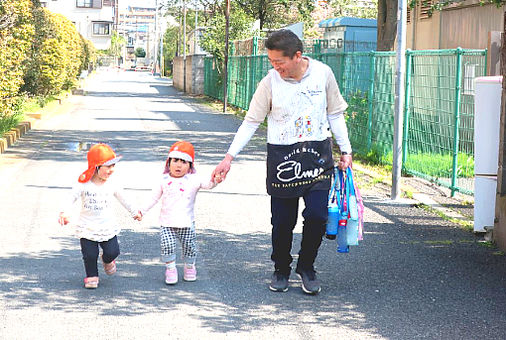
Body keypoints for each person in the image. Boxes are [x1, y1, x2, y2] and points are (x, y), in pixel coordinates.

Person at [212, 29, 352, 295]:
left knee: (318, 216)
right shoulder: (269, 83)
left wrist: (346, 150)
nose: (275, 67)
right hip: (282, 158)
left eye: (280, 62)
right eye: (272, 62)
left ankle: (307, 266)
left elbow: (335, 114)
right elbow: (251, 121)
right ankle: (281, 268)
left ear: (297, 56)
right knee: (282, 222)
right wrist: (229, 157)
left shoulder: (323, 74)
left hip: (317, 156)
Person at [58, 143, 141, 289]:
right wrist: (64, 212)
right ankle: (91, 276)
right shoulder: (83, 183)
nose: (111, 170)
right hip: (87, 227)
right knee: (89, 254)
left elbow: (124, 198)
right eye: (107, 167)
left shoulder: (112, 183)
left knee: (113, 252)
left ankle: (107, 260)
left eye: (113, 166)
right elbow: (70, 198)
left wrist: (134, 212)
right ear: (96, 166)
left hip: (107, 226)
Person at [139, 141, 218, 285]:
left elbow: (208, 184)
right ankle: (170, 269)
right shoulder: (163, 180)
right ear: (168, 162)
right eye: (175, 161)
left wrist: (216, 179)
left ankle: (189, 266)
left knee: (189, 246)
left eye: (184, 162)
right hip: (167, 222)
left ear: (190, 166)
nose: (179, 165)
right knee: (167, 245)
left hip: (186, 222)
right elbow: (153, 198)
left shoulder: (194, 180)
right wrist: (141, 211)